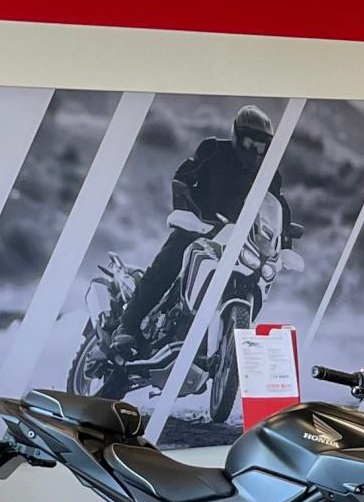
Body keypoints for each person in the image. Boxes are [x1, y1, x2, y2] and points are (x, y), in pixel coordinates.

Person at [110, 104, 295, 357]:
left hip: (238, 242)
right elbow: (183, 178)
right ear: (237, 136)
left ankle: (224, 349)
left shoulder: (269, 174)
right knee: (166, 266)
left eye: (260, 146)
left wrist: (285, 245)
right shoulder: (214, 150)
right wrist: (185, 212)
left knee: (254, 277)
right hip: (198, 229)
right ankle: (127, 326)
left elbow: (279, 206)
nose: (253, 150)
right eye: (249, 142)